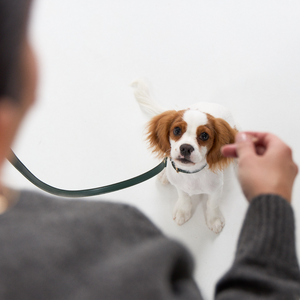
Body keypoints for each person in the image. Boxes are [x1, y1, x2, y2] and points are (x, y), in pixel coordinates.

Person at [0, 1, 299, 299]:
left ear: (217, 145)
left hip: (208, 167)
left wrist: (212, 206)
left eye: (203, 138)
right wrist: (270, 201)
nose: (186, 143)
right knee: (181, 186)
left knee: (208, 192)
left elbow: (212, 177)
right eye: (178, 133)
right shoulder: (129, 233)